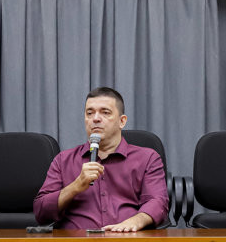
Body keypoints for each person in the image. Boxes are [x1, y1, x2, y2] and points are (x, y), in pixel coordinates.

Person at [34, 86, 168, 232]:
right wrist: (75, 186)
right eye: (89, 113)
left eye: (105, 113)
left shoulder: (147, 158)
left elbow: (157, 202)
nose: (96, 118)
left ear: (122, 121)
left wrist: (135, 222)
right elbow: (41, 211)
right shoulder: (63, 160)